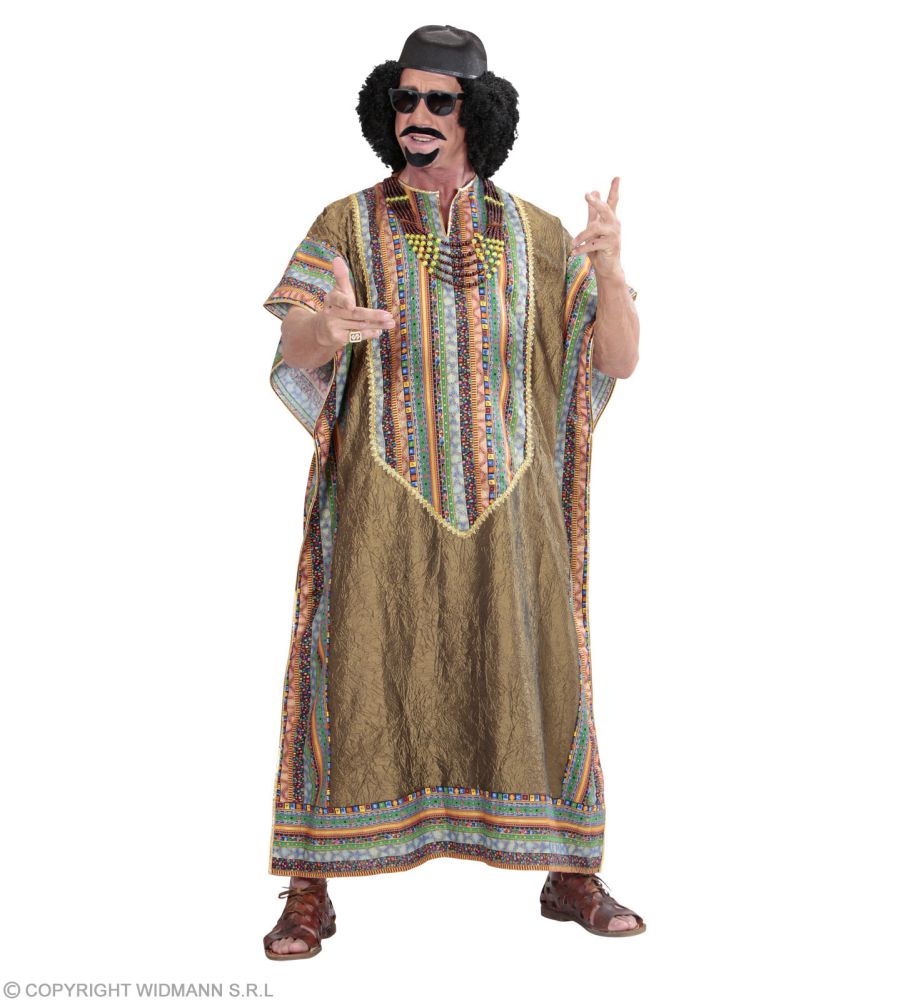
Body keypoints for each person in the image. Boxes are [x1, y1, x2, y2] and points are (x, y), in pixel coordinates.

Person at [260, 24, 644, 959]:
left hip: (515, 510)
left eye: (439, 100)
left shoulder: (539, 235)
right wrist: (326, 330)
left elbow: (617, 359)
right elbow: (293, 345)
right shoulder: (346, 224)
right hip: (379, 501)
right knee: (348, 665)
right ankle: (310, 885)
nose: (418, 115)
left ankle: (568, 870)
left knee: (539, 664)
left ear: (477, 113)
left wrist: (609, 270)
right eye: (404, 98)